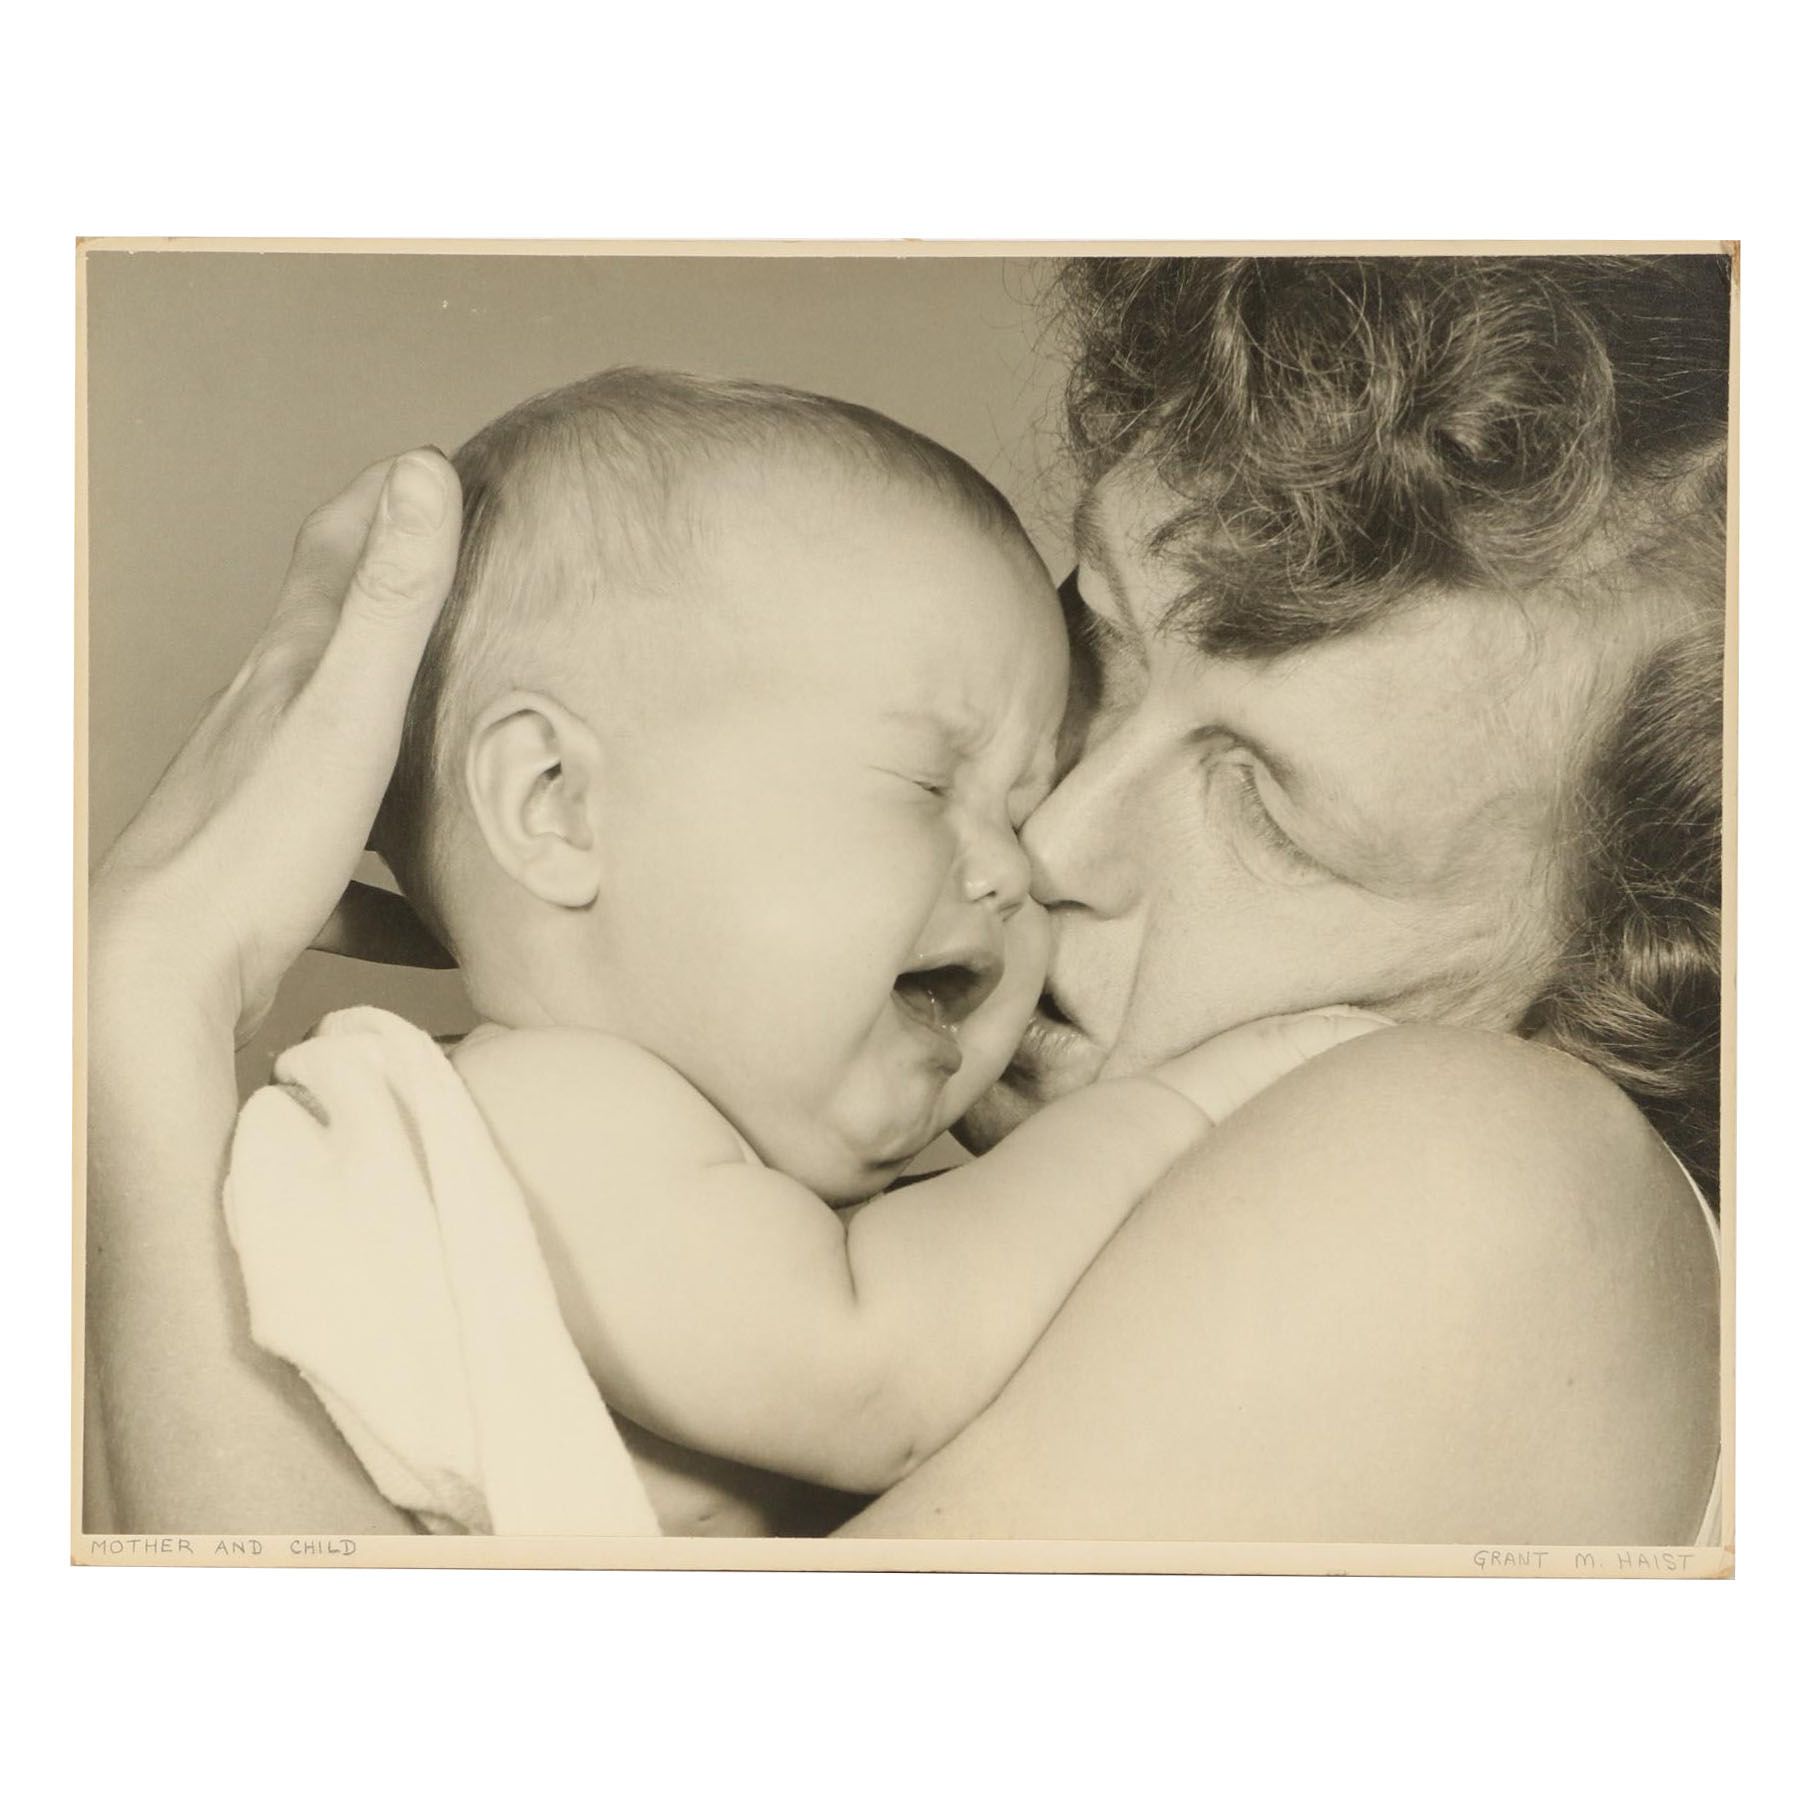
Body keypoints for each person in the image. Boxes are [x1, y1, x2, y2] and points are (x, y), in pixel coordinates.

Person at [86, 252, 1727, 1544]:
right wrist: (147, 1017)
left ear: (1609, 977)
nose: (1053, 843)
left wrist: (145, 1034)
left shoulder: (1491, 1166)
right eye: (1098, 651)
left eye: (1271, 812)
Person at [222, 369, 1379, 1530]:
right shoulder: (547, 1114)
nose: (1017, 868)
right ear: (557, 802)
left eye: (1015, 806)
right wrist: (1194, 1106)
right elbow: (875, 1373)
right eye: (930, 782)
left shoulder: (705, 1173)